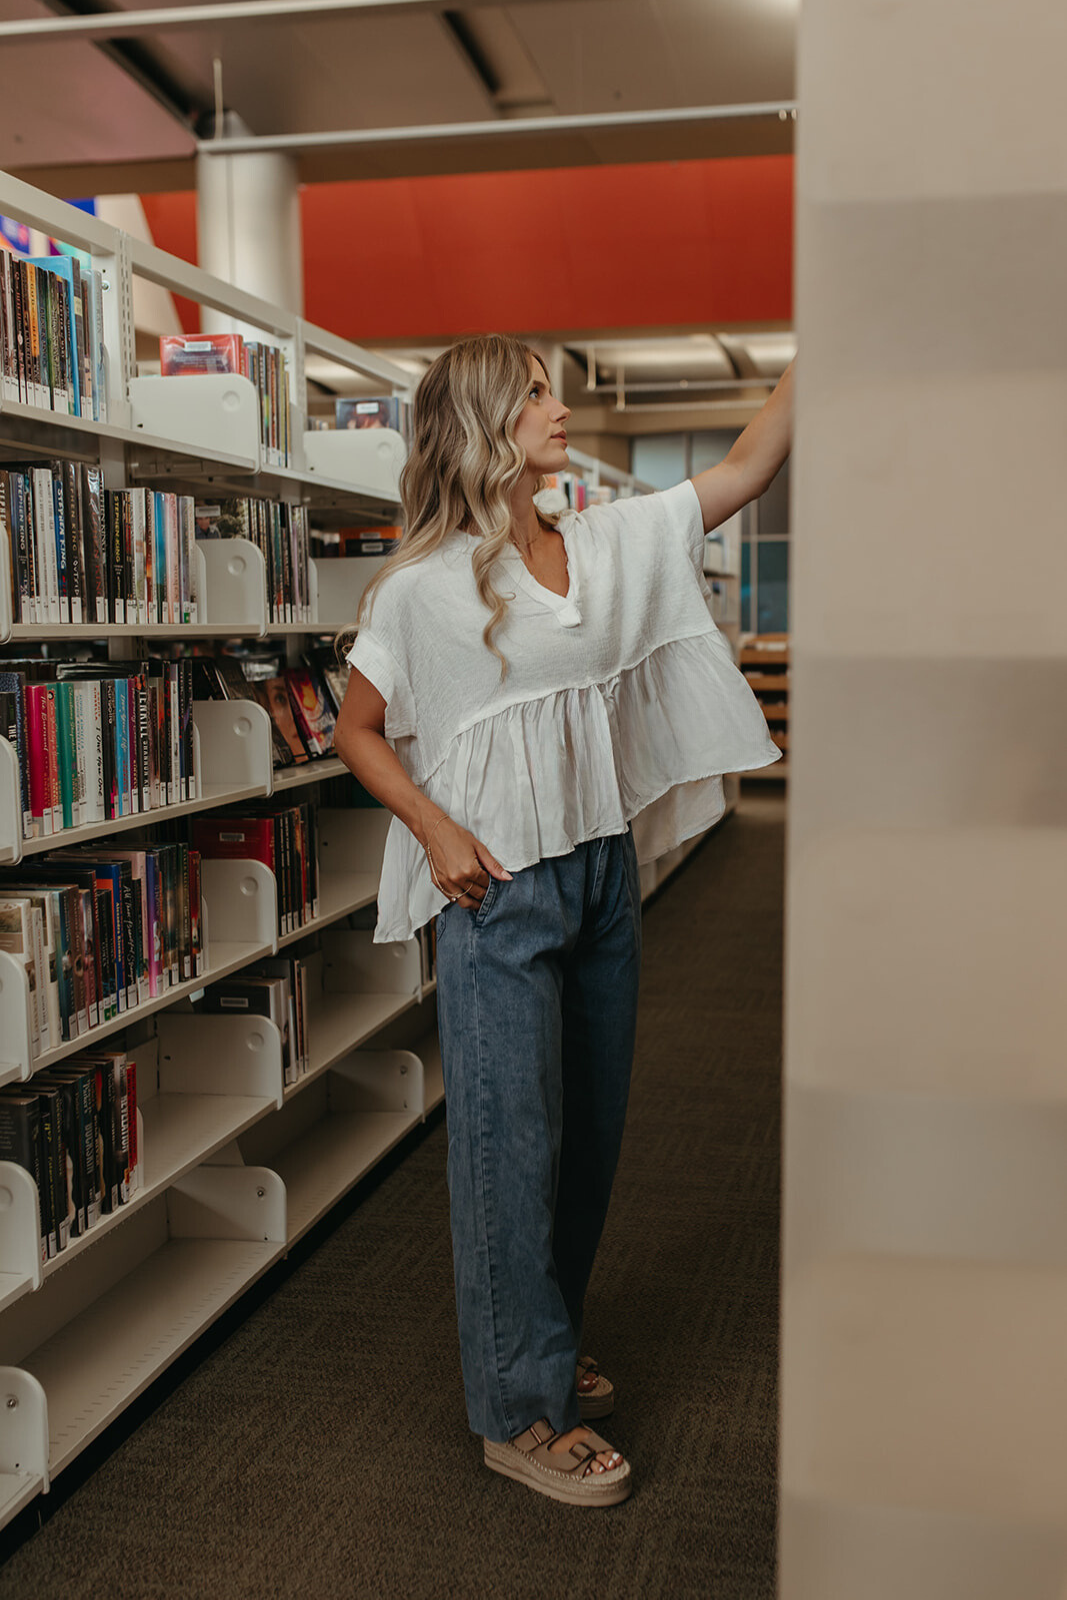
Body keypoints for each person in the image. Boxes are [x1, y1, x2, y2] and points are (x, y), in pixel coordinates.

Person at [333, 334, 792, 1507]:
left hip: (597, 880)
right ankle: (517, 1411)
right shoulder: (421, 588)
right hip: (497, 894)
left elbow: (740, 470)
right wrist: (433, 830)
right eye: (534, 391)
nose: (558, 404)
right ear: (486, 422)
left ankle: (535, 1343)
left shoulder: (600, 542)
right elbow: (358, 730)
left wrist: (815, 358)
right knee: (508, 1151)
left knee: (585, 1137)